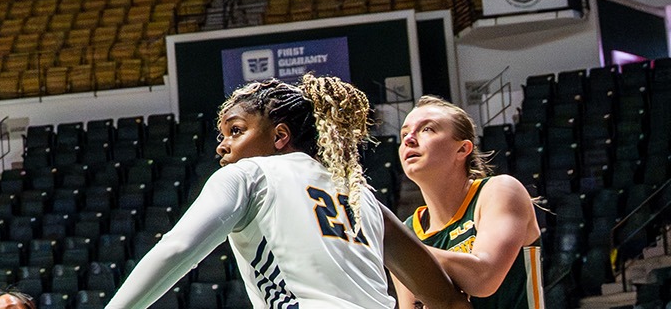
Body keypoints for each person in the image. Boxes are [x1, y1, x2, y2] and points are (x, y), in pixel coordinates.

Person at [100, 75, 467, 309]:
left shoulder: (248, 174)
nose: (222, 146)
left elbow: (178, 249)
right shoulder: (362, 198)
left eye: (236, 131)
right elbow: (446, 299)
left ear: (279, 136)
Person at [397, 96, 544, 309]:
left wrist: (400, 251)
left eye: (427, 129)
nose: (409, 139)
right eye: (404, 134)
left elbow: (483, 278)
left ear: (462, 149)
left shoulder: (499, 191)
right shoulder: (407, 231)